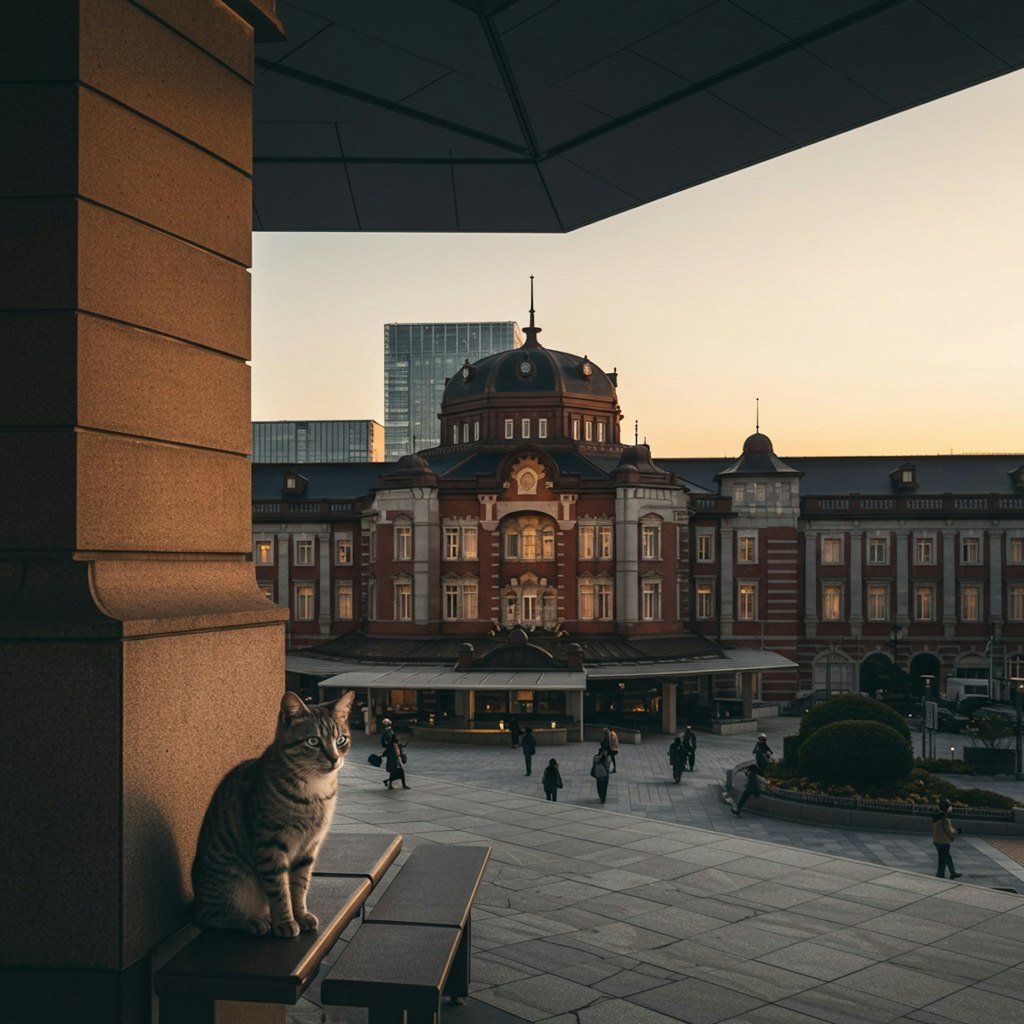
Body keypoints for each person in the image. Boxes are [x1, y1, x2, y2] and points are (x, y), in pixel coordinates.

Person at [932, 798, 962, 879]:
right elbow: (948, 831)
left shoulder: (937, 816)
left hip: (937, 841)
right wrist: (955, 834)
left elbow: (944, 829)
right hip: (944, 842)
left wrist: (954, 831)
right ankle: (940, 875)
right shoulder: (944, 818)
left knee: (947, 857)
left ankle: (953, 872)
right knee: (943, 859)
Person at [382, 726, 409, 790]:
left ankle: (389, 782)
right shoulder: (391, 746)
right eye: (396, 740)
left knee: (398, 773)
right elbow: (386, 753)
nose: (397, 741)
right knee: (397, 773)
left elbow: (399, 750)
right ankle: (400, 785)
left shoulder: (395, 745)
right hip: (392, 762)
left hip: (396, 762)